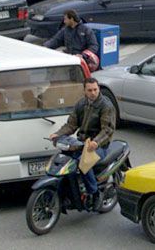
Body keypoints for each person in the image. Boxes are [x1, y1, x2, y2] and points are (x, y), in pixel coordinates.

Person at [49, 77, 115, 211]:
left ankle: (94, 192)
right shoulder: (81, 104)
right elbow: (71, 124)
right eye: (89, 90)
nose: (93, 92)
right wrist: (58, 134)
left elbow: (107, 130)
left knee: (82, 162)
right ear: (84, 91)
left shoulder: (106, 106)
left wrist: (96, 142)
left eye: (95, 89)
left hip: (100, 146)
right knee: (65, 160)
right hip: (81, 143)